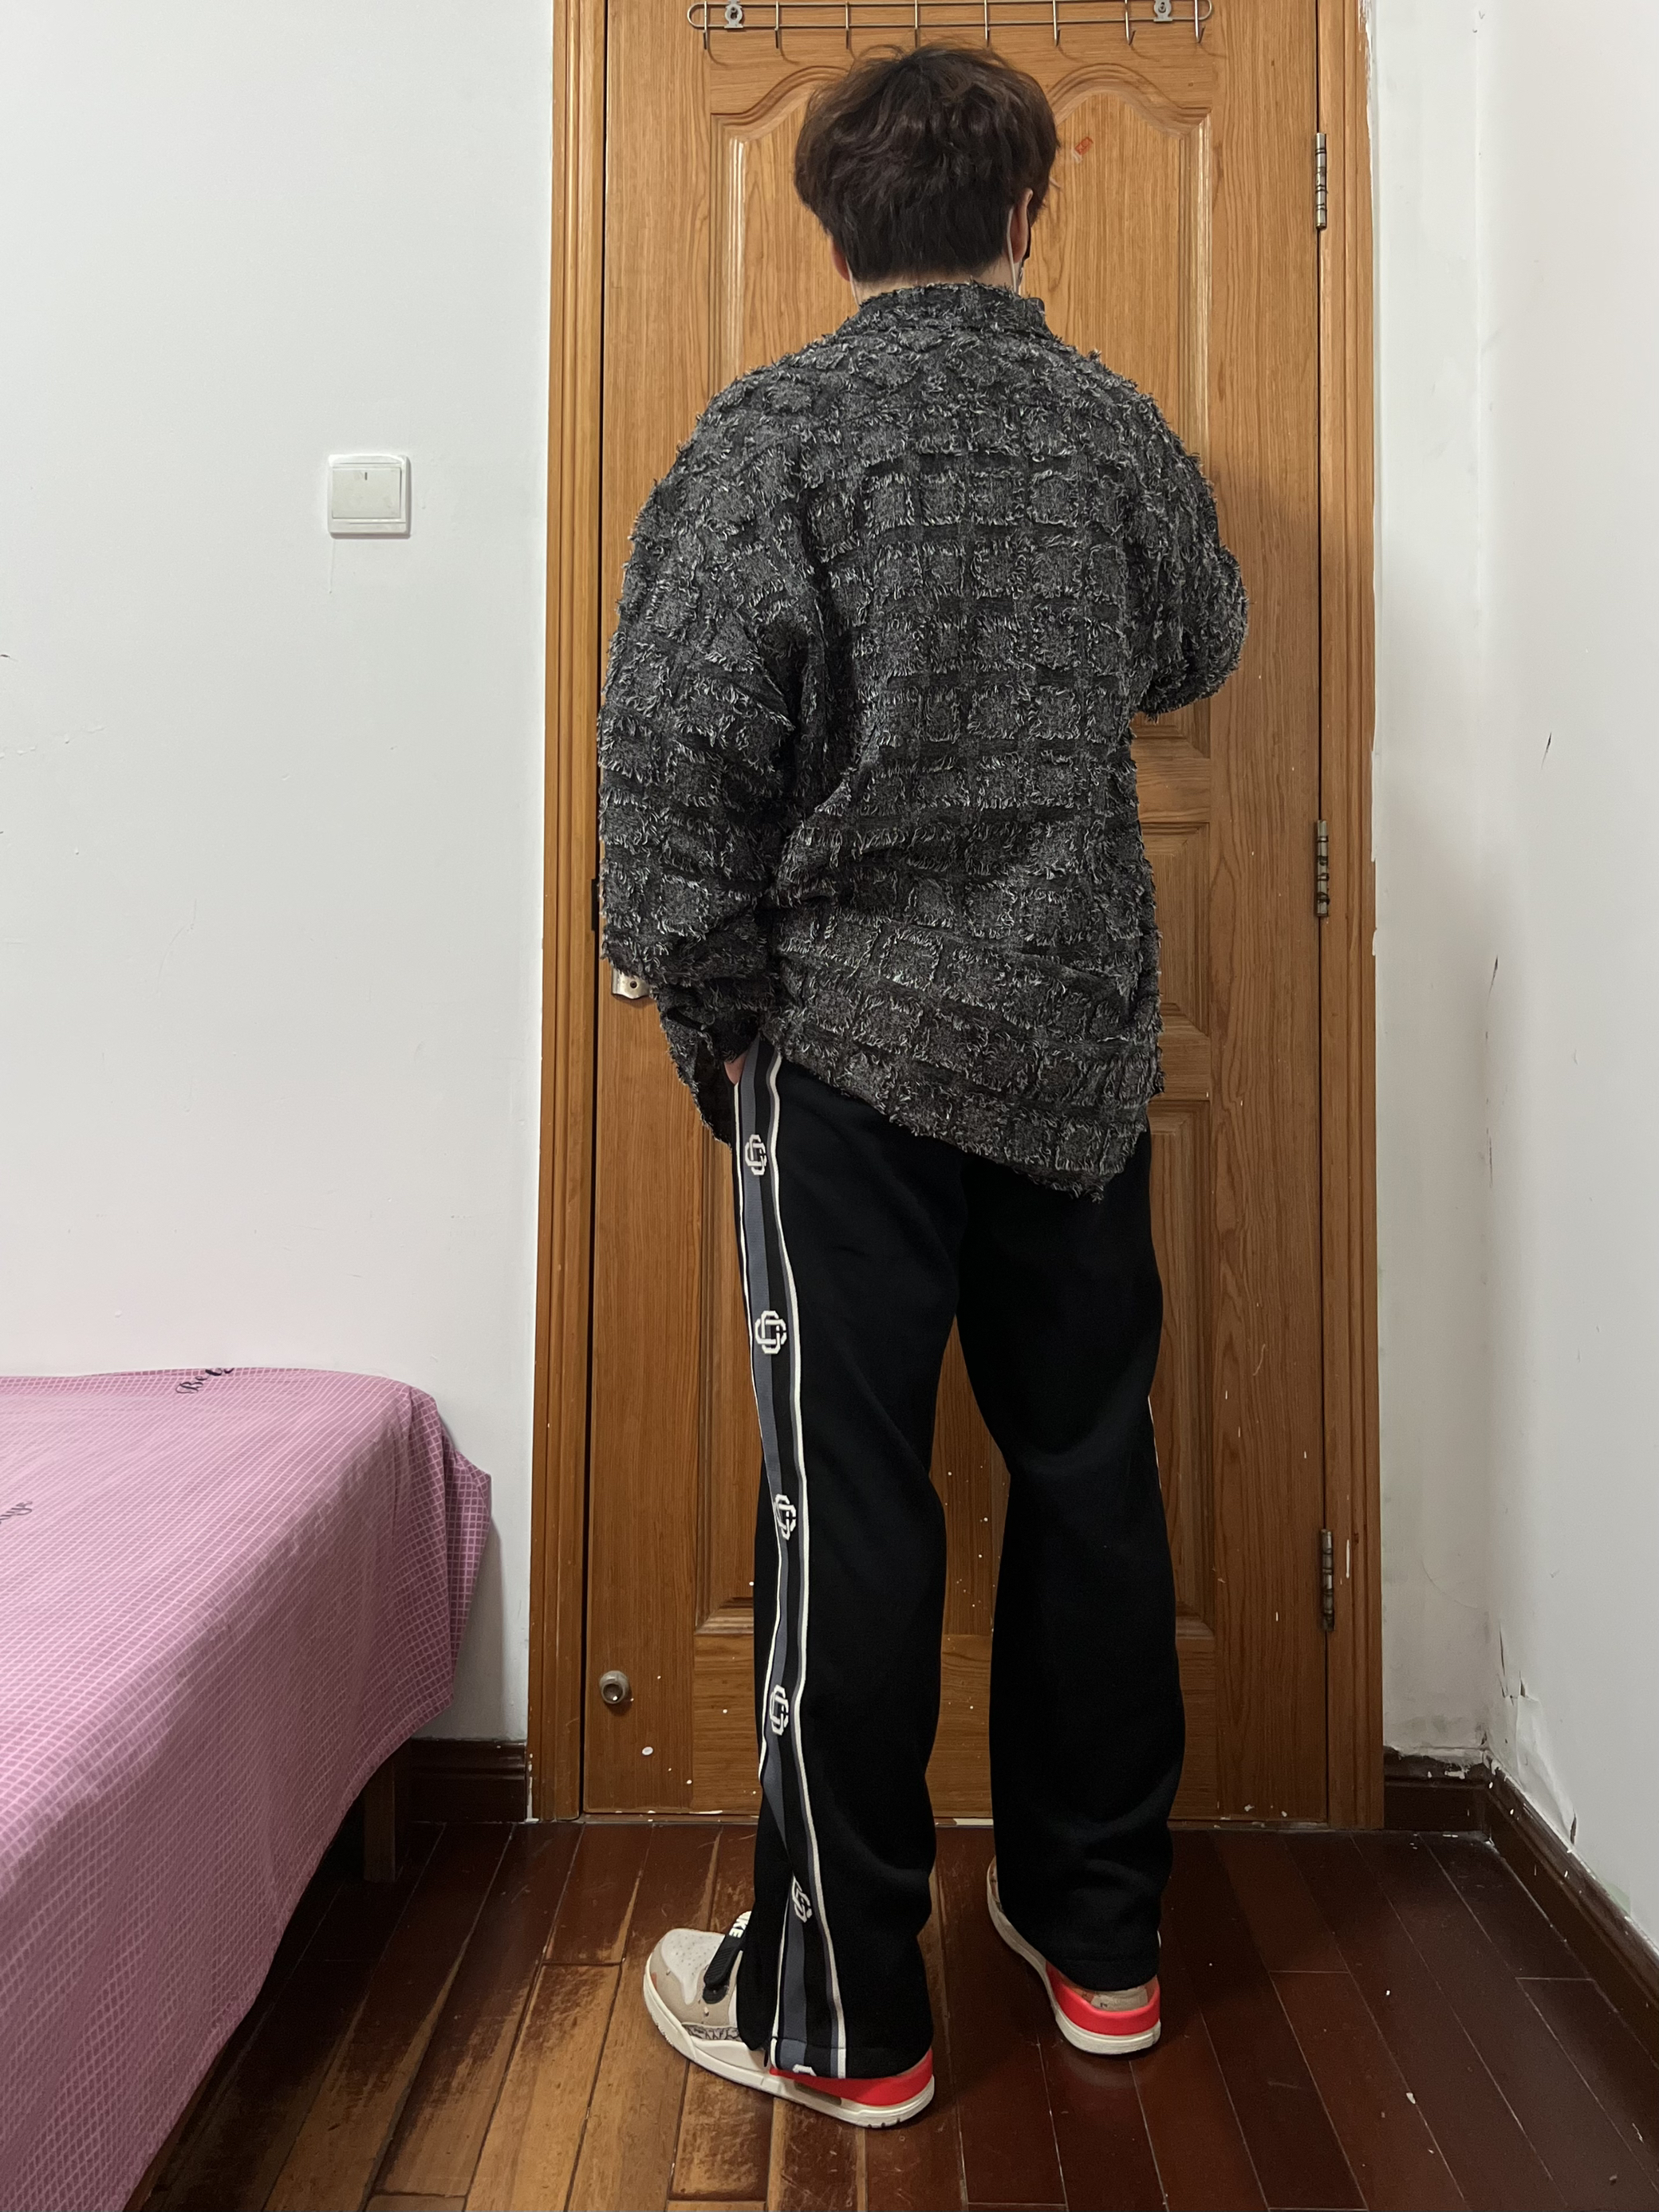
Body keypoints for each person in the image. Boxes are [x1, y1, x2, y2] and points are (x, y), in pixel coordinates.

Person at [598, 43, 1246, 2129]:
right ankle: (1104, 1947)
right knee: (1092, 1480)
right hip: (1073, 1048)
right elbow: (1200, 641)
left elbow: (669, 772)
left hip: (847, 1061)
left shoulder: (769, 439)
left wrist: (719, 1023)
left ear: (833, 224)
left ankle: (848, 2018)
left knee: (844, 1504)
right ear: (1029, 211)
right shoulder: (1111, 432)